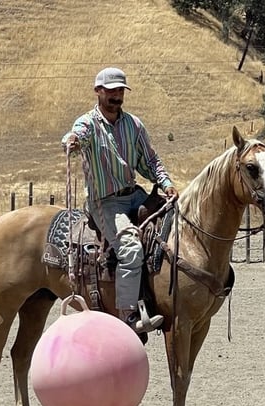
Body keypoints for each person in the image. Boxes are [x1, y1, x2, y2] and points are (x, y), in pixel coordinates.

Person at [62, 67, 176, 334]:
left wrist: (167, 183)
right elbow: (75, 135)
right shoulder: (88, 124)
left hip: (134, 194)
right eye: (111, 91)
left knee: (173, 227)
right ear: (98, 91)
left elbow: (150, 161)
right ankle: (128, 315)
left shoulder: (134, 124)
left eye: (120, 91)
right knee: (131, 249)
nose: (116, 96)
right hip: (105, 202)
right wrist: (72, 141)